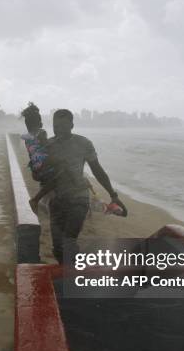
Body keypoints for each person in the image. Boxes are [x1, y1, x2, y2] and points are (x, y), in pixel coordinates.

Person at [46, 109, 127, 264]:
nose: (59, 130)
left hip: (78, 199)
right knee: (57, 249)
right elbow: (39, 175)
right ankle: (70, 273)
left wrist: (113, 195)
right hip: (56, 200)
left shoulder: (83, 143)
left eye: (63, 125)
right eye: (56, 126)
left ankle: (77, 277)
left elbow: (97, 170)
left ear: (72, 125)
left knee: (68, 242)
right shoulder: (49, 145)